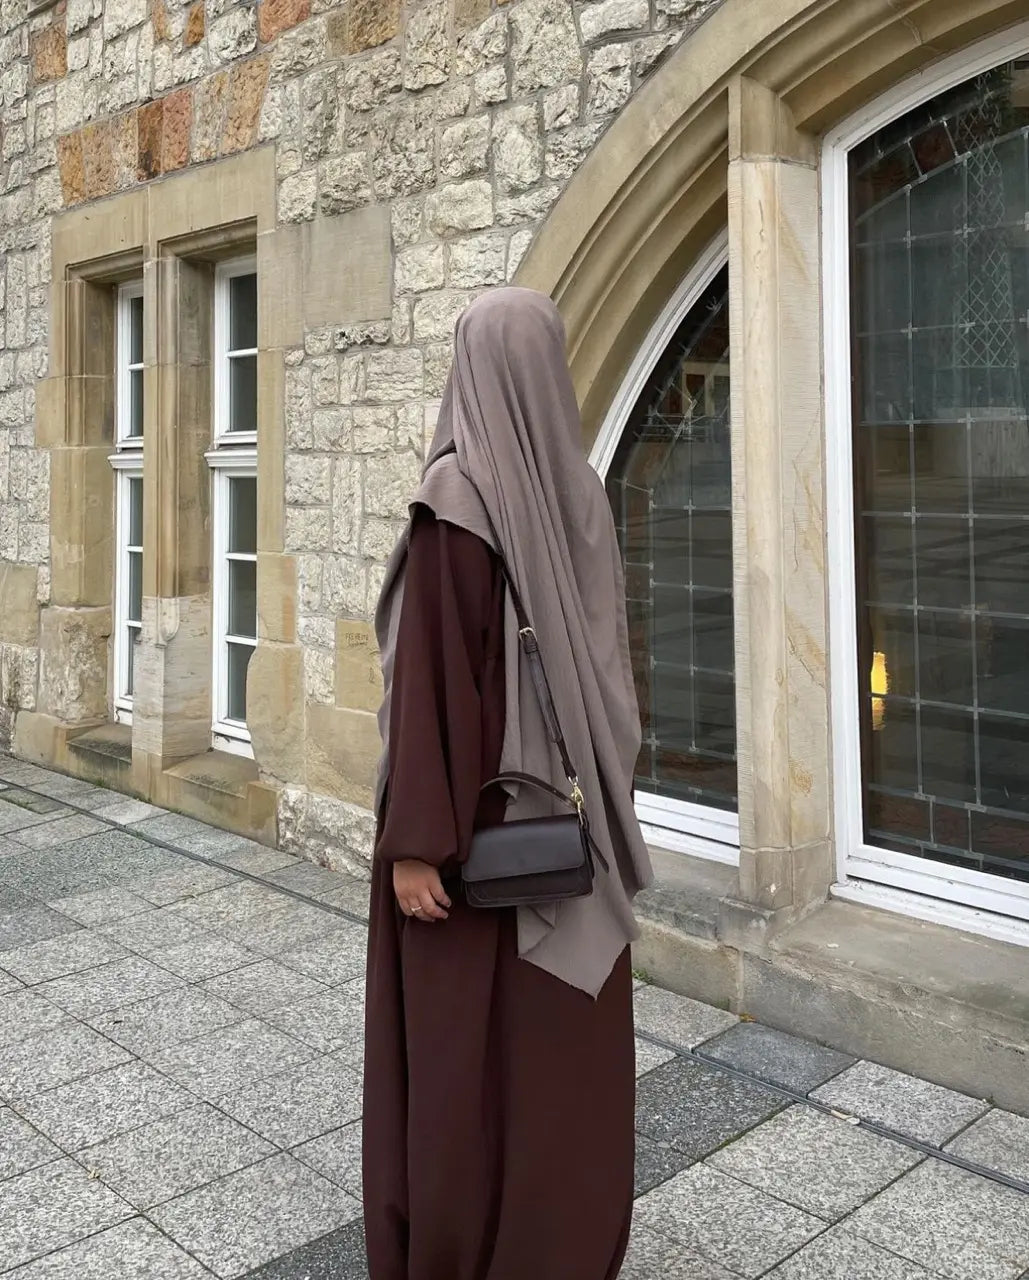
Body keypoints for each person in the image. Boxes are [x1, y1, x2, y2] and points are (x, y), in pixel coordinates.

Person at [362, 287, 654, 1280]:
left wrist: (414, 843)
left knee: (464, 1062)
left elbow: (433, 685)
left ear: (471, 370)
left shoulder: (457, 504)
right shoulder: (578, 493)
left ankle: (461, 1250)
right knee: (556, 1059)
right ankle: (561, 1247)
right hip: (567, 836)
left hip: (470, 844)